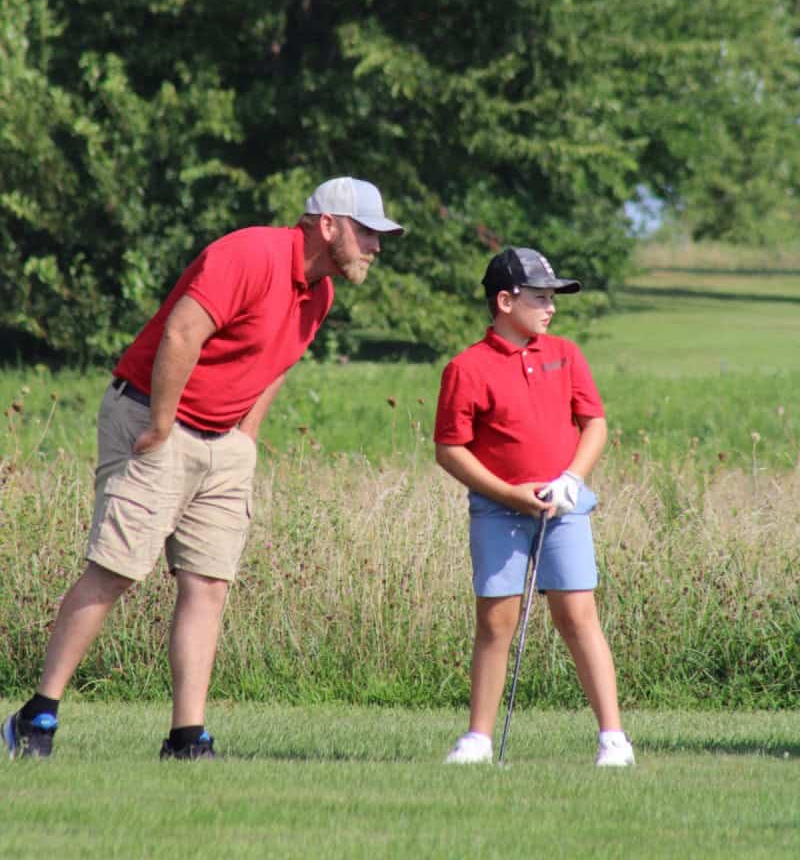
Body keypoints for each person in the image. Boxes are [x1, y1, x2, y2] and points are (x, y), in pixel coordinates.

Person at [3, 177, 404, 762]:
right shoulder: (250, 254)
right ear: (327, 225)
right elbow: (183, 331)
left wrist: (247, 437)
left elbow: (276, 365)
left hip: (224, 443)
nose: (375, 246)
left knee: (208, 583)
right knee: (115, 570)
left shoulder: (319, 295)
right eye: (366, 232)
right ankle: (37, 716)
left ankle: (187, 738)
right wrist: (161, 425)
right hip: (154, 421)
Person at [434, 246, 634, 767]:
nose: (551, 308)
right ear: (505, 301)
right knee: (496, 622)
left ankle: (613, 738)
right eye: (540, 298)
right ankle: (478, 739)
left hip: (564, 507)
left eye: (552, 298)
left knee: (577, 615)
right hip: (498, 511)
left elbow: (594, 424)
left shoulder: (565, 353)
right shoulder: (466, 368)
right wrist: (507, 494)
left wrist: (572, 479)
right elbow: (450, 449)